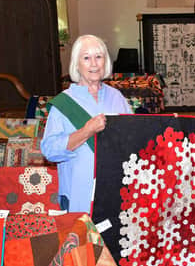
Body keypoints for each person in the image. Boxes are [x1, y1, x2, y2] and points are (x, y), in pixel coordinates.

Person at [41, 34, 132, 213]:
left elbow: (132, 137)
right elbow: (49, 151)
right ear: (76, 64)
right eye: (86, 58)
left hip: (115, 191)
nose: (93, 64)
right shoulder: (64, 103)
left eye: (99, 57)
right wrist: (86, 131)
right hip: (79, 196)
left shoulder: (117, 97)